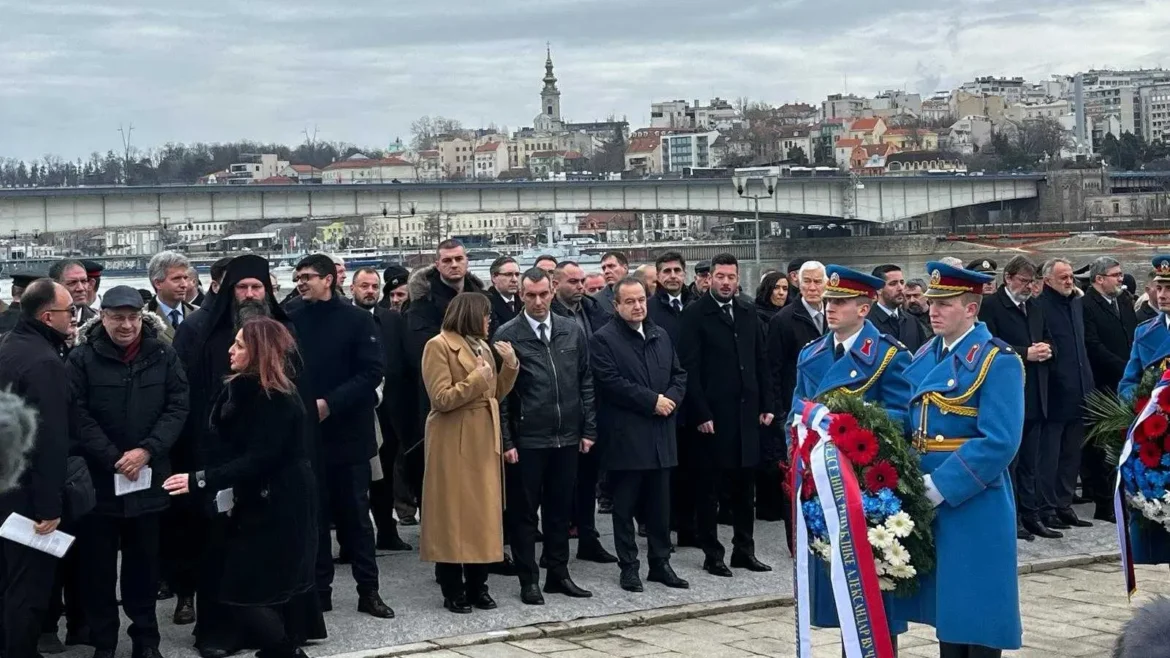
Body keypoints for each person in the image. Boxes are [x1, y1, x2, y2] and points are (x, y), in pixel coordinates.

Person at [171, 254, 314, 657]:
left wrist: (202, 478)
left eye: (257, 286)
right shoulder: (205, 339)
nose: (250, 294)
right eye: (242, 287)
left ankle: (283, 649)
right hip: (232, 481)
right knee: (233, 577)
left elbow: (266, 452)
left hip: (266, 493)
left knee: (253, 587)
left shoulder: (273, 386)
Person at [900, 261, 1024, 657]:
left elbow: (1000, 441)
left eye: (946, 303)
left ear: (971, 309)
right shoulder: (926, 354)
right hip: (930, 500)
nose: (933, 310)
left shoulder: (997, 360)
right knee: (949, 615)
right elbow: (908, 418)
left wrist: (940, 486)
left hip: (974, 500)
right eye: (933, 301)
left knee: (980, 613)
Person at [789, 265, 912, 650]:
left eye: (841, 302)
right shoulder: (812, 354)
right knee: (839, 587)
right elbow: (797, 409)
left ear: (864, 308)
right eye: (829, 301)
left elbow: (904, 415)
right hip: (823, 483)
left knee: (874, 589)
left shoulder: (888, 355)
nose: (831, 308)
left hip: (867, 485)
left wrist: (849, 421)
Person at [69, 286, 189, 658]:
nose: (126, 325)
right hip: (101, 482)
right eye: (117, 317)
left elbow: (178, 406)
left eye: (133, 317)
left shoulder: (163, 355)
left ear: (143, 316)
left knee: (144, 569)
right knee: (99, 571)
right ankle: (105, 642)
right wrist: (112, 457)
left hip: (147, 481)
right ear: (102, 317)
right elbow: (77, 413)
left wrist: (146, 451)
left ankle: (146, 641)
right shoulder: (81, 358)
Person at [288, 254, 392, 619]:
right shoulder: (292, 318)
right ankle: (320, 591)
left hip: (348, 432)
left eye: (308, 277)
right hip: (306, 436)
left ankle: (369, 591)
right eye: (298, 277)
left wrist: (330, 403)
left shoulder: (357, 319)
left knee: (357, 520)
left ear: (329, 280)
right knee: (313, 519)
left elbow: (371, 372)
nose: (301, 283)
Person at [495, 268, 596, 605]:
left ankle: (558, 573)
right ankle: (529, 580)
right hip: (528, 440)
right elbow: (503, 394)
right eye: (530, 295)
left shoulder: (571, 330)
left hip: (566, 435)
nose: (538, 302)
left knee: (559, 510)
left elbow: (586, 381)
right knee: (524, 514)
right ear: (521, 295)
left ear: (552, 291)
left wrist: (588, 428)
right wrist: (507, 441)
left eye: (543, 294)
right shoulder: (509, 334)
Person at [419, 293, 519, 613]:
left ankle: (478, 586)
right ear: (472, 315)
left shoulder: (480, 346)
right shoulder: (438, 345)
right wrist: (477, 377)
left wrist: (510, 368)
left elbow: (493, 393)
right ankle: (453, 589)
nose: (490, 321)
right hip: (454, 440)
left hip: (482, 438)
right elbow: (441, 398)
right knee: (452, 516)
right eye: (486, 316)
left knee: (482, 517)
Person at [589, 277, 689, 592]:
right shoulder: (603, 339)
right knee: (625, 508)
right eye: (629, 301)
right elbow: (611, 382)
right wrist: (652, 401)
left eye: (641, 300)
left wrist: (671, 398)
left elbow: (679, 373)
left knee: (660, 508)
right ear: (616, 305)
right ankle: (629, 567)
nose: (637, 307)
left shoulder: (659, 334)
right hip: (626, 438)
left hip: (661, 435)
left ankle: (660, 564)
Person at [678, 253, 774, 577]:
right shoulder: (695, 314)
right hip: (712, 419)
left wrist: (767, 405)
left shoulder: (747, 311)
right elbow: (688, 368)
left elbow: (762, 361)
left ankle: (744, 550)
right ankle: (712, 553)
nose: (726, 282)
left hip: (746, 415)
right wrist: (700, 412)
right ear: (709, 279)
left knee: (745, 490)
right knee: (710, 490)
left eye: (731, 277)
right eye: (720, 277)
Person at [0, 279, 73, 658]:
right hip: (28, 496)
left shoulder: (8, 346)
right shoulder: (45, 362)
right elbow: (50, 441)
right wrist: (50, 506)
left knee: (7, 584)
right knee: (28, 590)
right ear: (48, 316)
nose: (73, 319)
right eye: (69, 312)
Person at [978, 256, 1055, 541]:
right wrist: (1025, 353)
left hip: (1036, 391)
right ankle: (1010, 518)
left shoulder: (1036, 306)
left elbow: (1048, 337)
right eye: (1023, 281)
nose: (1028, 287)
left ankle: (1031, 514)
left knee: (1031, 462)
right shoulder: (991, 306)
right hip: (1008, 395)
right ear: (1008, 278)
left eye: (1032, 282)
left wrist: (1048, 349)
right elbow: (989, 346)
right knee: (1011, 460)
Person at [549, 261, 615, 563]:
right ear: (556, 283)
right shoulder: (549, 314)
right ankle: (556, 545)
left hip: (595, 403)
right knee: (559, 482)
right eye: (572, 281)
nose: (578, 286)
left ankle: (588, 537)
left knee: (589, 478)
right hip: (562, 407)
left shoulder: (596, 311)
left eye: (581, 281)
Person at [350, 268, 413, 553]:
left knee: (385, 474)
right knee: (354, 477)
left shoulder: (393, 320)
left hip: (389, 411)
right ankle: (353, 539)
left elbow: (405, 363)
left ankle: (387, 531)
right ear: (353, 288)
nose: (370, 291)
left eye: (375, 286)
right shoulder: (345, 319)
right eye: (364, 285)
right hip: (354, 410)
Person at [1034, 258, 1095, 531]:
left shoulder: (1076, 304)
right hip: (1056, 392)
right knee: (1051, 455)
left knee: (1072, 454)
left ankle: (1064, 503)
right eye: (1063, 278)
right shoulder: (1040, 306)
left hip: (1081, 389)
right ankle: (1046, 507)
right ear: (1047, 281)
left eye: (1071, 277)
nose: (1069, 281)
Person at [1080, 257, 1137, 523]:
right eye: (1115, 275)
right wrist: (1124, 367)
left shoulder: (1123, 301)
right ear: (1099, 278)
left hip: (1125, 383)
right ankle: (1104, 503)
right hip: (1102, 383)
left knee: (1122, 441)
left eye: (1121, 274)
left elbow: (1133, 336)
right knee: (1102, 447)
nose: (1120, 279)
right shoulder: (1086, 305)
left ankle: (1122, 497)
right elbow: (1093, 345)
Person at [767, 261, 828, 432]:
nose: (812, 287)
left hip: (831, 405)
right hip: (798, 406)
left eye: (817, 282)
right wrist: (780, 414)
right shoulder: (782, 320)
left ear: (826, 284)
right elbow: (774, 371)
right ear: (799, 285)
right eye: (807, 281)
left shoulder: (835, 315)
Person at [870, 264, 928, 352]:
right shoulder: (866, 323)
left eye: (901, 282)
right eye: (893, 284)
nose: (900, 288)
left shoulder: (912, 321)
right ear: (878, 289)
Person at [146, 252, 197, 340]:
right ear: (158, 283)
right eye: (176, 279)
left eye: (185, 278)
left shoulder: (200, 314)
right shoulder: (142, 318)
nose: (184, 284)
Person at [50, 259, 97, 326]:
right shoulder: (40, 321)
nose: (80, 288)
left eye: (84, 281)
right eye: (72, 283)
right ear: (55, 285)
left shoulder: (96, 322)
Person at [487, 256, 521, 337]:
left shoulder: (524, 301)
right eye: (509, 274)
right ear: (494, 277)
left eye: (517, 274)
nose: (515, 279)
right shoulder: (486, 304)